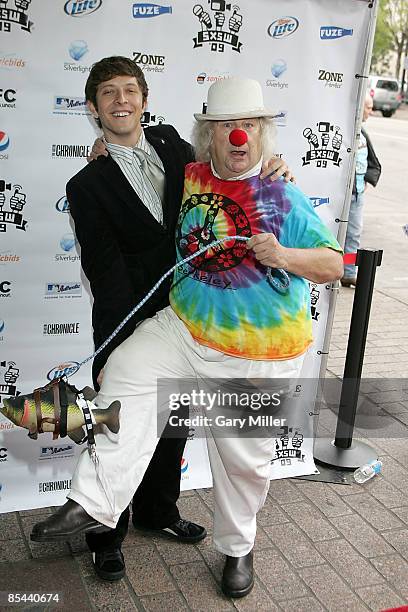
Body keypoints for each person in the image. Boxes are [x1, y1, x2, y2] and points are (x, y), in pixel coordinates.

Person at [31, 76, 343, 599]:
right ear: (209, 135)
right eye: (225, 127)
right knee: (127, 370)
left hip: (256, 354)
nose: (237, 137)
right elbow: (138, 168)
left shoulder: (280, 191)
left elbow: (333, 264)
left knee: (244, 463)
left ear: (262, 132)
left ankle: (238, 548)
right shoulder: (189, 175)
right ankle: (92, 500)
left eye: (248, 125)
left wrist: (285, 257)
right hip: (186, 328)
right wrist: (108, 148)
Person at [341, 93, 381, 286]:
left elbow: (371, 161)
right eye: (368, 107)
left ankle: (348, 272)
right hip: (341, 195)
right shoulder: (346, 130)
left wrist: (366, 179)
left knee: (353, 235)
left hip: (357, 195)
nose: (370, 112)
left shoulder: (363, 133)